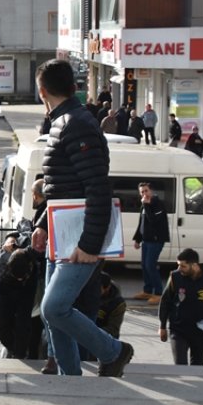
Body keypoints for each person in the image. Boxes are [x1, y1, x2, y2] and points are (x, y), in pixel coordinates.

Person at [31, 59, 134, 378]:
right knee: (53, 314)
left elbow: (98, 187)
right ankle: (69, 377)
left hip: (80, 237)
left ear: (42, 90)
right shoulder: (64, 121)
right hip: (61, 233)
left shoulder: (76, 123)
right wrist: (43, 223)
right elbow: (68, 184)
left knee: (54, 307)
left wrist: (90, 244)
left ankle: (114, 351)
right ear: (73, 87)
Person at [160, 249, 203, 366]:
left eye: (183, 266)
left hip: (201, 331)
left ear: (194, 265)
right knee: (181, 367)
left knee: (198, 368)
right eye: (178, 265)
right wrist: (162, 326)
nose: (179, 269)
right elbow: (165, 301)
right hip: (179, 330)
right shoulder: (175, 277)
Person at [131, 182, 170, 303]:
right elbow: (142, 223)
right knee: (144, 266)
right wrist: (138, 239)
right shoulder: (144, 205)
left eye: (146, 191)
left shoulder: (157, 204)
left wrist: (147, 206)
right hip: (146, 240)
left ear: (151, 191)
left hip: (156, 240)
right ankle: (147, 291)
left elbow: (153, 221)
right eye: (142, 192)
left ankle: (159, 293)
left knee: (150, 266)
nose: (144, 194)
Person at [95, 273, 126, 340]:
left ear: (107, 288)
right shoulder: (86, 291)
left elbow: (113, 329)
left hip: (104, 337)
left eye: (97, 289)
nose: (93, 292)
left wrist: (90, 331)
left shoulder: (117, 304)